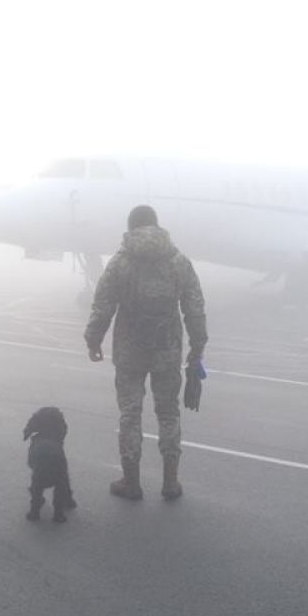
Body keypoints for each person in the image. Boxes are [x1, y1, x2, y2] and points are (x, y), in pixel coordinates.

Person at [84, 205, 207, 501]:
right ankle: (170, 481)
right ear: (156, 224)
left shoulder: (120, 262)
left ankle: (131, 482)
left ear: (131, 227)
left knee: (130, 414)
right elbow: (194, 307)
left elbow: (103, 306)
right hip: (167, 350)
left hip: (130, 352)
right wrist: (197, 346)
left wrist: (93, 339)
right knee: (168, 413)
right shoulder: (179, 261)